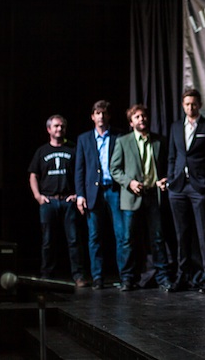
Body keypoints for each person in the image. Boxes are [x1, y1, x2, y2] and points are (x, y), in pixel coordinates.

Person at [109, 104, 172, 292]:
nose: (141, 119)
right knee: (128, 239)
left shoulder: (159, 141)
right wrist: (129, 182)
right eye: (137, 117)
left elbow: (166, 166)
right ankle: (128, 278)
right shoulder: (123, 141)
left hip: (154, 194)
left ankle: (163, 277)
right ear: (131, 122)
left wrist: (164, 179)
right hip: (132, 195)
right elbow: (114, 169)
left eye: (143, 116)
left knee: (158, 239)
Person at [167, 89, 205, 293]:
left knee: (204, 234)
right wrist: (171, 179)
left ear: (199, 105)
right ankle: (183, 277)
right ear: (183, 105)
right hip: (178, 187)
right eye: (187, 104)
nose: (191, 107)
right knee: (182, 235)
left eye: (194, 104)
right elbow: (172, 156)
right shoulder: (175, 127)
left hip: (199, 187)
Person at [28, 114, 87, 287]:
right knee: (48, 241)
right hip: (49, 202)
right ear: (49, 129)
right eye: (56, 126)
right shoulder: (42, 151)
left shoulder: (73, 149)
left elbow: (81, 172)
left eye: (62, 126)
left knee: (74, 240)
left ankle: (78, 275)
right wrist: (38, 196)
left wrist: (78, 193)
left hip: (68, 201)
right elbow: (33, 175)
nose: (59, 129)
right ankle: (47, 275)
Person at [75, 100, 127, 290]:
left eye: (104, 113)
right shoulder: (84, 139)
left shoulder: (119, 135)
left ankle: (125, 276)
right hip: (93, 193)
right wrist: (80, 195)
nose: (101, 117)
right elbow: (79, 169)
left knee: (121, 235)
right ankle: (97, 276)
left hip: (114, 190)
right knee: (94, 236)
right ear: (92, 116)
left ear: (109, 116)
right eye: (97, 113)